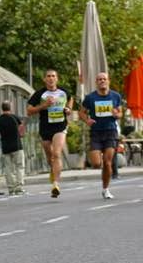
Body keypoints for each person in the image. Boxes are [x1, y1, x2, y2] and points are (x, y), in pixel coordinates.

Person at [26, 69, 73, 198]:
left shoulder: (63, 92)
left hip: (60, 126)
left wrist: (68, 109)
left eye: (53, 76)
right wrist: (44, 106)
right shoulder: (40, 94)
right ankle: (53, 171)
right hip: (45, 127)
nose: (51, 78)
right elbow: (29, 111)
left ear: (57, 79)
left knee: (57, 154)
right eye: (48, 76)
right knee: (50, 156)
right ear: (45, 79)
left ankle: (55, 184)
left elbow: (70, 99)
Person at [79, 72, 123, 200]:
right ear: (96, 82)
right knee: (96, 164)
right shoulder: (90, 98)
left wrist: (116, 114)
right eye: (99, 79)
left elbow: (120, 113)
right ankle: (101, 162)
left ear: (108, 81)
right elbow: (81, 112)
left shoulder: (115, 96)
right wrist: (87, 120)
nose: (102, 81)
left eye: (104, 79)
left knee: (108, 163)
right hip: (96, 132)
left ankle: (105, 189)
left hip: (110, 132)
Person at [0, 101, 25, 195]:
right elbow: (21, 130)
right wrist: (20, 135)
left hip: (5, 147)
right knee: (19, 166)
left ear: (2, 108)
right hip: (17, 146)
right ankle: (19, 187)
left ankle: (11, 188)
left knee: (8, 168)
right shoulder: (15, 118)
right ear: (10, 107)